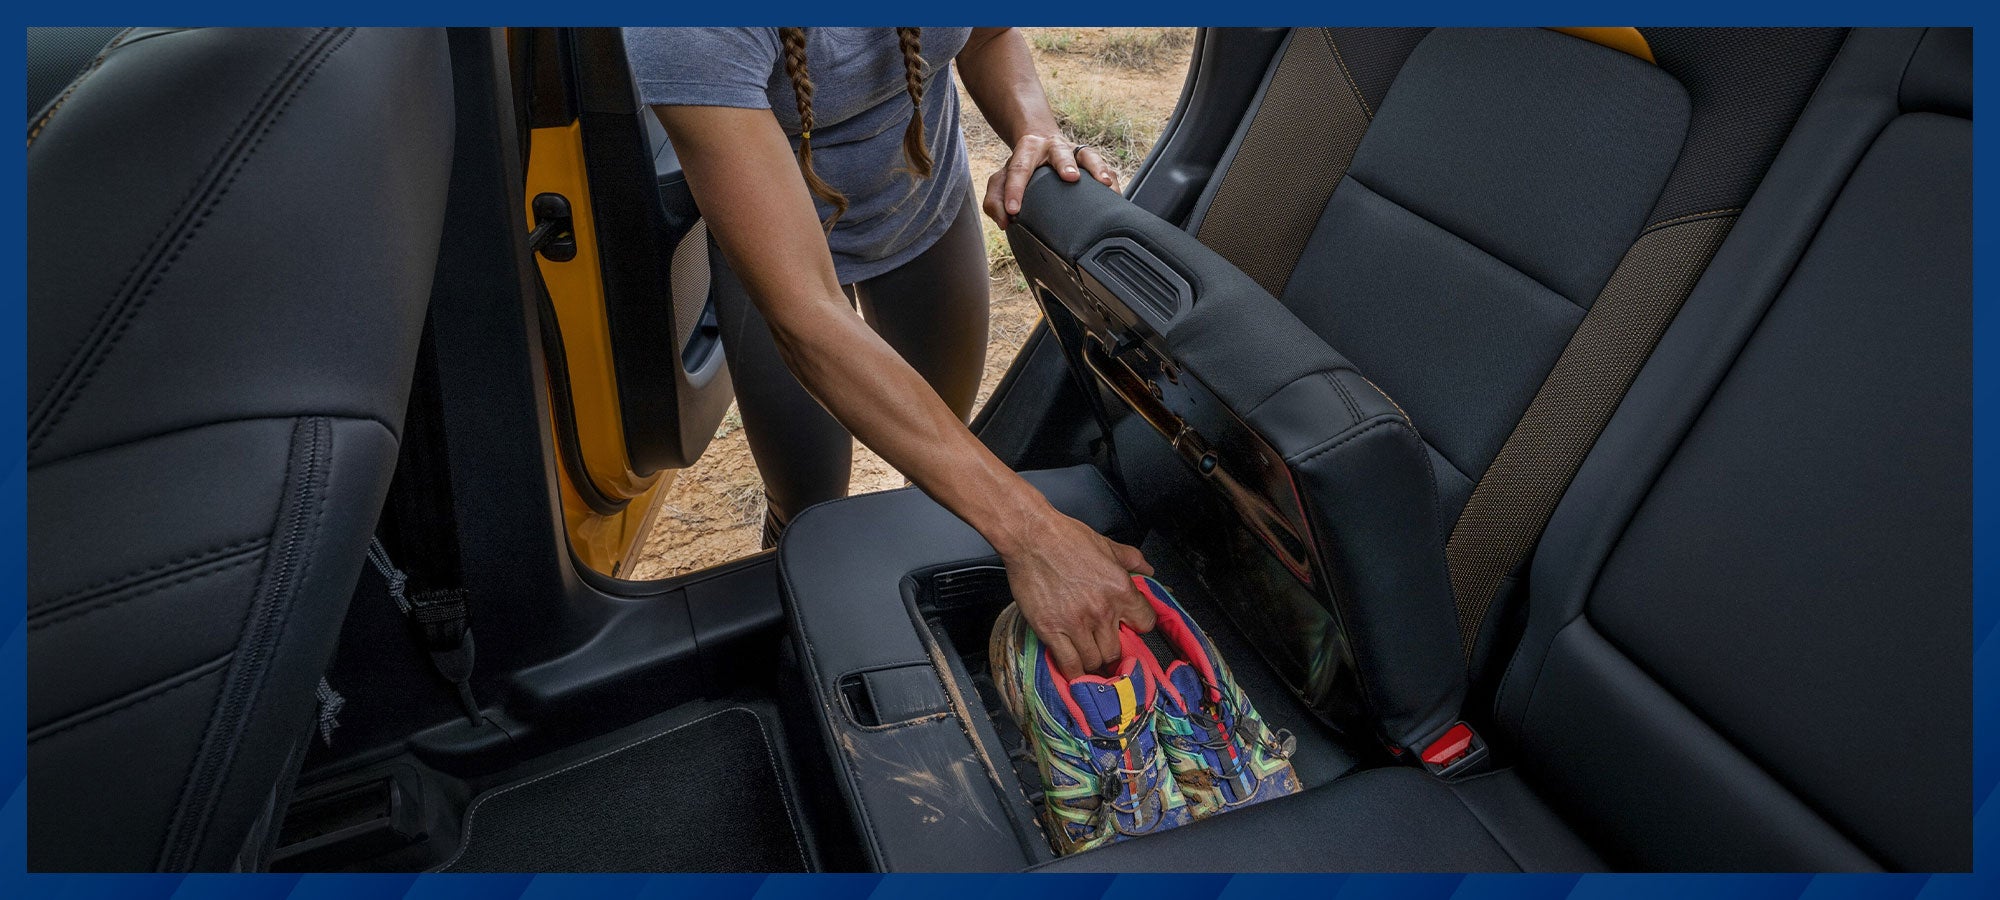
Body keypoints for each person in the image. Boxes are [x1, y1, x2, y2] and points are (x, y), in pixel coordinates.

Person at [625, 27, 1155, 675]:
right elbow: (804, 316)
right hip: (778, 254)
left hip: (925, 206)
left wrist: (1033, 126)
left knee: (939, 464)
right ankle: (807, 660)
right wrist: (1035, 534)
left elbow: (987, 37)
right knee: (806, 508)